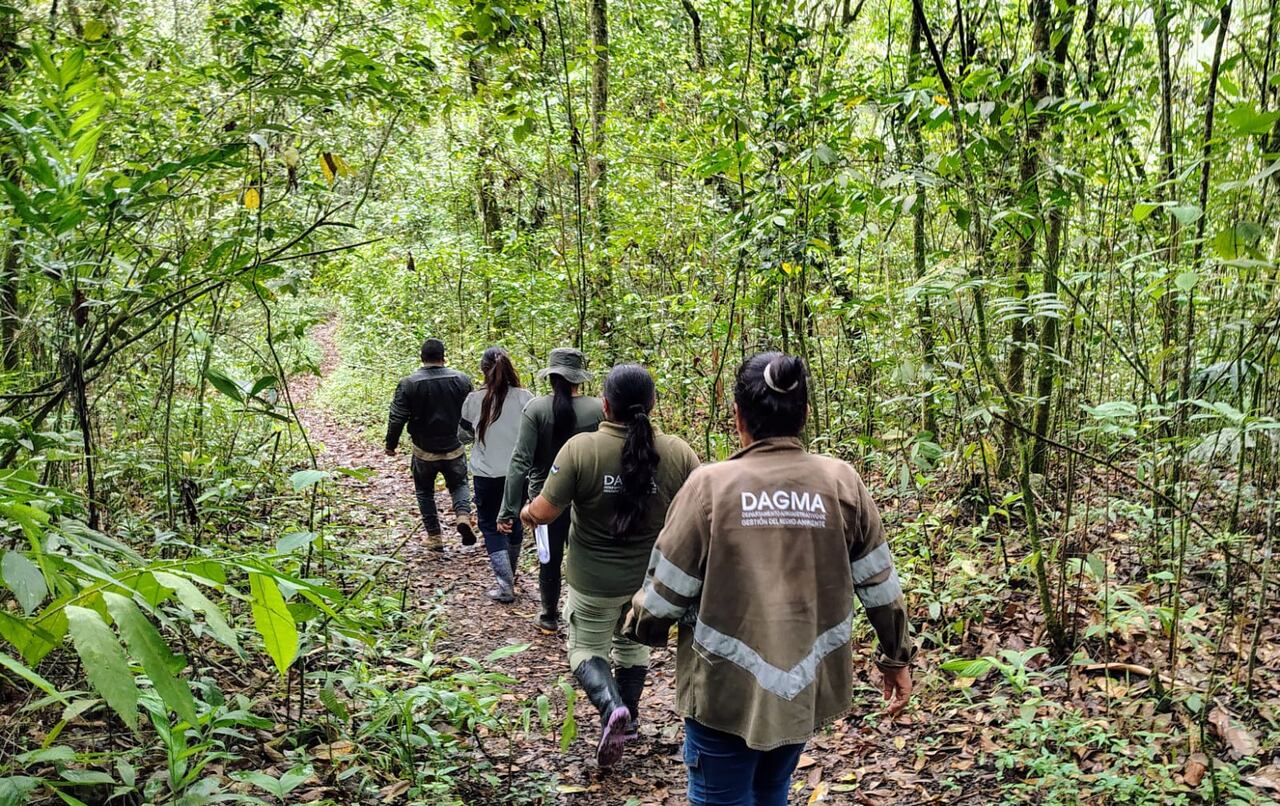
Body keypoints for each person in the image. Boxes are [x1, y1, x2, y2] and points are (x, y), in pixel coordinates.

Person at [625, 352, 916, 806]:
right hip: (803, 688)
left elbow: (663, 595)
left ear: (737, 414)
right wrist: (896, 657)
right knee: (771, 792)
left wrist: (640, 627)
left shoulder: (710, 487)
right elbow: (879, 584)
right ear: (803, 414)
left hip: (724, 694)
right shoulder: (841, 483)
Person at [519, 364, 699, 768]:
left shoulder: (581, 449)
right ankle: (629, 719)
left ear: (605, 404)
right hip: (650, 583)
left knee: (585, 648)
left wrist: (527, 513)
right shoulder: (678, 452)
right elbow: (701, 513)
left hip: (593, 581)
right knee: (632, 646)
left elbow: (546, 511)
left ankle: (612, 708)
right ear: (652, 404)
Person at [498, 347, 604, 633]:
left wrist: (508, 510)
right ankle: (587, 617)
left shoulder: (535, 409)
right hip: (589, 498)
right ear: (578, 379)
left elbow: (520, 460)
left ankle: (548, 615)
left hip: (544, 499)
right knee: (587, 556)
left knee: (549, 557)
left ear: (551, 377)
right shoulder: (597, 409)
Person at [385, 337, 476, 552]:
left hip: (424, 451)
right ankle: (463, 515)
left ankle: (435, 536)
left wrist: (391, 444)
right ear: (444, 357)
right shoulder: (462, 380)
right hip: (454, 447)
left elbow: (397, 417)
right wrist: (471, 436)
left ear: (422, 357)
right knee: (460, 484)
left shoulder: (409, 383)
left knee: (425, 491)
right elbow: (473, 412)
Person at [459, 347, 534, 604]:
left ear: (483, 371)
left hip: (486, 473)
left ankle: (505, 585)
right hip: (518, 473)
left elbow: (464, 435)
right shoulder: (526, 398)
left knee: (490, 525)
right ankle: (510, 576)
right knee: (513, 520)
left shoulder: (473, 400)